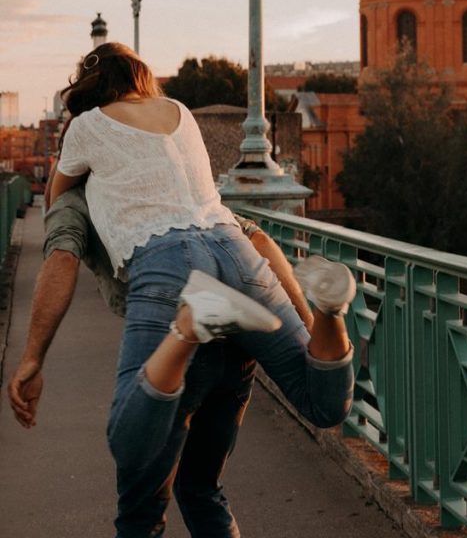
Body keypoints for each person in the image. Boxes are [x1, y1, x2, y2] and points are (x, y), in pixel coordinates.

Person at [8, 43, 356, 538]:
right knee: (320, 407)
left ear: (89, 87)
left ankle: (188, 328)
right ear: (141, 76)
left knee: (132, 449)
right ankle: (333, 309)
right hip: (235, 249)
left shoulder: (86, 127)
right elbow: (257, 236)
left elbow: (54, 200)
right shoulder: (181, 113)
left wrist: (33, 358)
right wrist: (302, 315)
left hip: (167, 263)